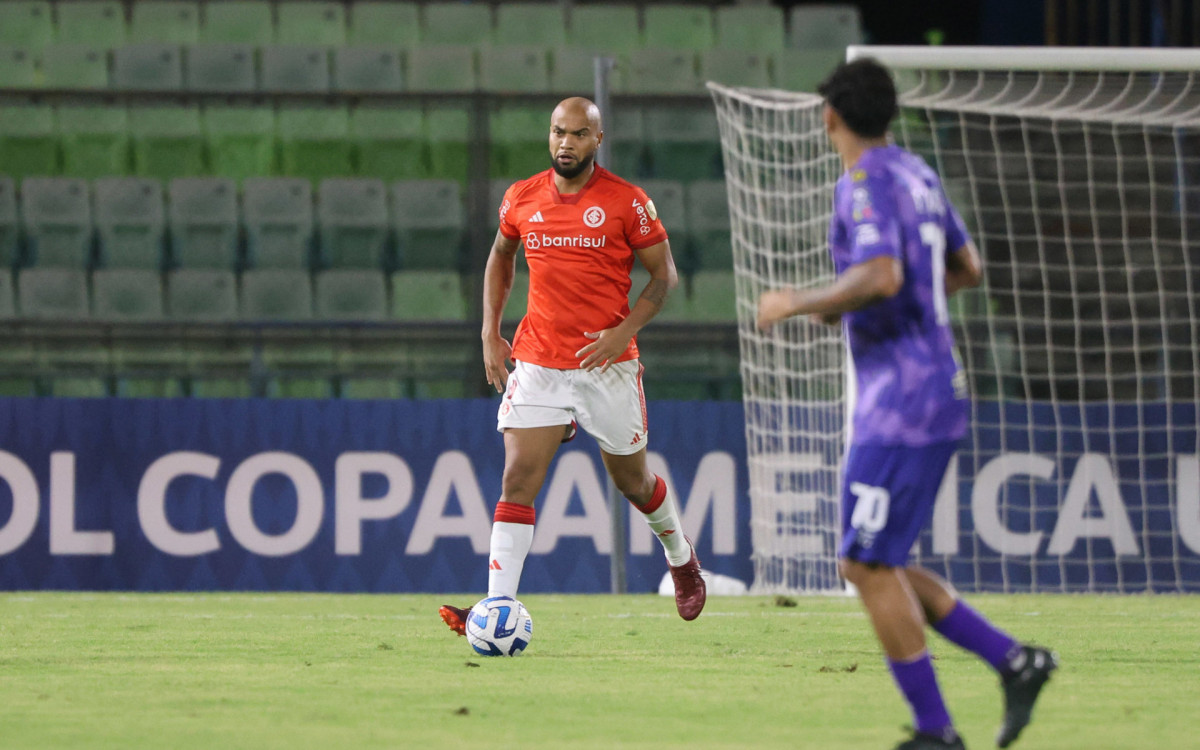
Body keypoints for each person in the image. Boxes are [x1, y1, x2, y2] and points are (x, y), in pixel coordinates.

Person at [756, 59, 1057, 750]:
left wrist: (799, 300)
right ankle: (1014, 662)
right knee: (878, 559)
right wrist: (861, 302)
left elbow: (883, 273)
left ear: (829, 115)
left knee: (862, 564)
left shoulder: (863, 182)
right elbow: (965, 269)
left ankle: (938, 732)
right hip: (933, 385)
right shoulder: (917, 174)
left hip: (903, 400)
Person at [439, 97, 706, 634]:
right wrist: (490, 331)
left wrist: (623, 333)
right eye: (559, 132)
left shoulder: (627, 202)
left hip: (605, 365)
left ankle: (681, 558)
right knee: (517, 479)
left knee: (633, 482)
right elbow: (500, 256)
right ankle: (496, 607)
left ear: (597, 140)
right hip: (539, 360)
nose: (566, 143)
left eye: (579, 134)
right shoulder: (521, 197)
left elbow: (664, 277)